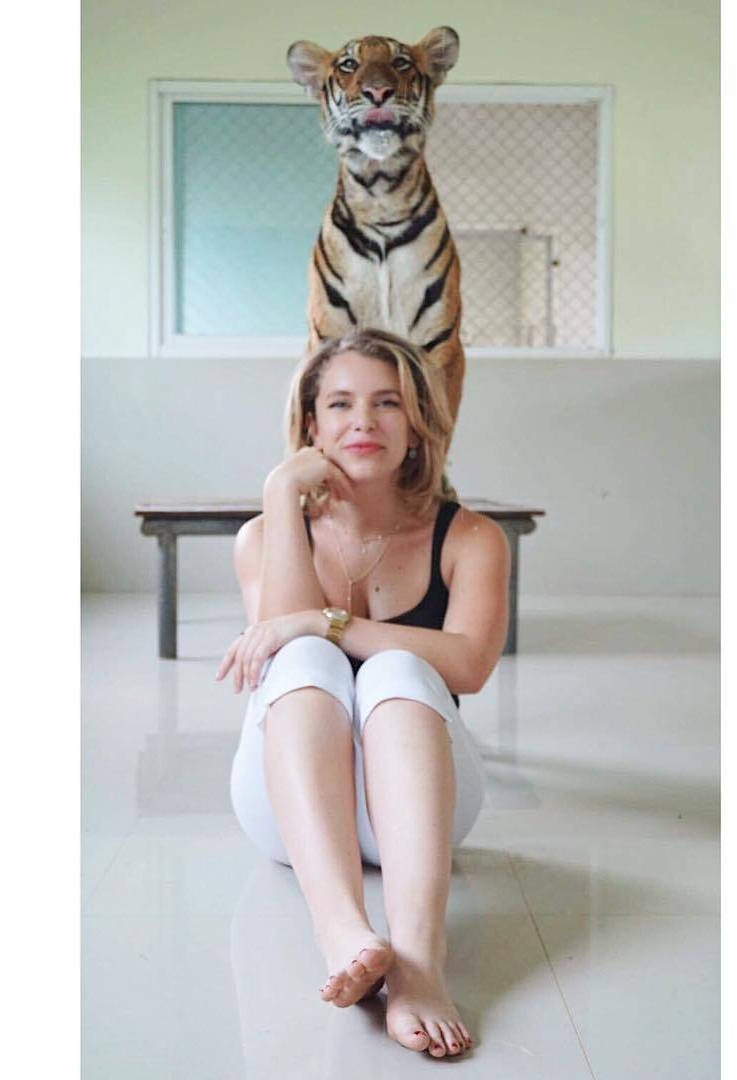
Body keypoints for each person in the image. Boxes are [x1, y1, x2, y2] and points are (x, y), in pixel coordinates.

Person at [219, 328, 509, 1059]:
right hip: (291, 811)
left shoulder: (471, 537)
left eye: (387, 403)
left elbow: (469, 666)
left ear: (417, 422)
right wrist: (281, 495)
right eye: (341, 403)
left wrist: (331, 620)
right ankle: (340, 928)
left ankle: (419, 961)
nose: (363, 422)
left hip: (419, 808)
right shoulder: (261, 536)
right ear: (310, 424)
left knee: (397, 669)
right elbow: (283, 648)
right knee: (302, 656)